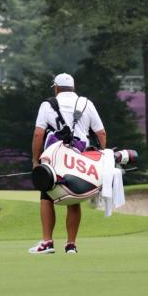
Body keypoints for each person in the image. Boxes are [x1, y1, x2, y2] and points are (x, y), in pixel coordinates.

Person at [29, 73, 106, 255]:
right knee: (74, 197)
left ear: (56, 88)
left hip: (54, 156)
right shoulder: (86, 103)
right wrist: (100, 161)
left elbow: (38, 134)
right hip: (79, 155)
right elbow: (101, 133)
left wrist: (35, 159)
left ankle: (47, 242)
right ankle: (71, 244)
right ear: (73, 87)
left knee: (46, 196)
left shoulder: (47, 104)